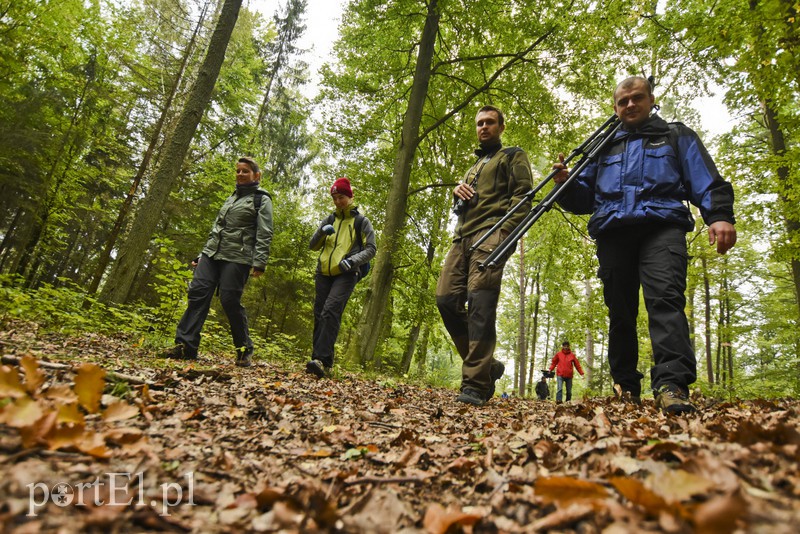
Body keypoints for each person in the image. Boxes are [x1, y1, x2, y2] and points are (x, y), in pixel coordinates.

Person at [553, 76, 737, 414]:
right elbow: (582, 199)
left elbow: (706, 179)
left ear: (651, 100)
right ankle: (626, 388)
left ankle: (671, 385)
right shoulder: (601, 146)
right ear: (615, 107)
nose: (630, 105)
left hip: (662, 228)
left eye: (637, 98)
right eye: (623, 101)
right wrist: (564, 184)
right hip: (613, 233)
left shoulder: (675, 135)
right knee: (620, 312)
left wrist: (720, 215)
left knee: (665, 300)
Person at [436, 105, 533, 406]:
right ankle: (488, 366)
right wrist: (457, 194)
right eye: (479, 123)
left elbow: (523, 197)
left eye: (490, 122)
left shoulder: (512, 155)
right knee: (446, 300)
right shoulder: (474, 167)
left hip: (492, 233)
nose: (484, 127)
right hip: (461, 238)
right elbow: (463, 206)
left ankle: (476, 384)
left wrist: (506, 234)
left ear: (501, 127)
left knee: (480, 303)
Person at [161, 157, 273, 367]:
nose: (240, 174)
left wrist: (259, 261)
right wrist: (202, 254)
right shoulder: (231, 198)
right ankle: (185, 346)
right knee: (197, 294)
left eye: (245, 171)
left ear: (256, 175)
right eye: (238, 171)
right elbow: (217, 229)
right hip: (211, 255)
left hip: (238, 256)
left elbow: (265, 232)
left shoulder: (261, 199)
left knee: (230, 300)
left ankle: (243, 350)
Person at [306, 177, 377, 378]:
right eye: (335, 198)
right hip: (323, 273)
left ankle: (320, 360)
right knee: (320, 313)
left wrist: (353, 261)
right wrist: (322, 232)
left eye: (341, 197)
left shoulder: (361, 221)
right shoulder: (329, 220)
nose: (338, 202)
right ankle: (322, 362)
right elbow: (313, 246)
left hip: (346, 273)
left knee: (330, 311)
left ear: (350, 196)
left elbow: (372, 248)